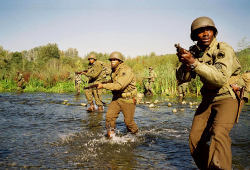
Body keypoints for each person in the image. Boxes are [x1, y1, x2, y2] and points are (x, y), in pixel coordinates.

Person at [176, 16, 246, 169]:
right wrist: (185, 64)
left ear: (214, 32)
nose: (205, 34)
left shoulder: (223, 49)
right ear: (195, 36)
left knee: (219, 134)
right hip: (208, 98)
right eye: (200, 31)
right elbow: (182, 79)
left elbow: (220, 78)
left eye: (208, 30)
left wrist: (194, 63)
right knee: (194, 140)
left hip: (228, 95)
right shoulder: (195, 51)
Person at [97, 51, 139, 138]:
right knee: (109, 118)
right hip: (116, 98)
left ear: (120, 61)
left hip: (128, 99)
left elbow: (119, 85)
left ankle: (136, 136)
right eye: (111, 60)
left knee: (129, 122)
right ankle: (111, 137)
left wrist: (103, 86)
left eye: (115, 60)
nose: (112, 62)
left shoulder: (126, 70)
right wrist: (103, 83)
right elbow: (114, 81)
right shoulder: (115, 70)